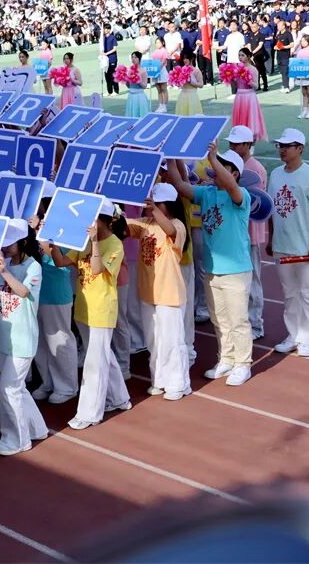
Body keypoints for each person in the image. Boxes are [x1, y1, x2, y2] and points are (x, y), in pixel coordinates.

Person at [166, 142, 254, 387]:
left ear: (233, 173)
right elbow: (180, 185)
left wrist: (213, 158)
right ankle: (226, 358)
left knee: (238, 319)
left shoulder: (240, 196)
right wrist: (171, 156)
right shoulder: (207, 193)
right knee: (220, 318)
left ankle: (243, 363)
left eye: (222, 166)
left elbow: (232, 187)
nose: (214, 169)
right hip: (213, 269)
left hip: (236, 270)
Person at [48, 201, 132, 430]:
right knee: (102, 355)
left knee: (94, 363)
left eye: (94, 218)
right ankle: (120, 398)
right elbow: (61, 261)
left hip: (102, 310)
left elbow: (96, 269)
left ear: (106, 220)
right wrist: (51, 241)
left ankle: (89, 413)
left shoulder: (114, 244)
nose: (89, 223)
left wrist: (94, 242)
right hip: (84, 309)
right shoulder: (84, 242)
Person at [125, 183, 191, 400]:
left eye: (157, 204)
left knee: (172, 340)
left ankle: (178, 383)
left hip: (170, 293)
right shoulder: (146, 224)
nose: (150, 208)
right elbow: (125, 227)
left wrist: (153, 210)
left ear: (167, 205)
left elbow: (170, 231)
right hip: (148, 293)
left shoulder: (177, 225)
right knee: (154, 340)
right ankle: (160, 379)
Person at [0, 219, 47, 455]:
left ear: (23, 242)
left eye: (10, 243)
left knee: (9, 389)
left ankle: (18, 439)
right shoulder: (4, 263)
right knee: (17, 388)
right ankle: (37, 428)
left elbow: (23, 292)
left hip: (22, 339)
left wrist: (4, 271)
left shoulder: (34, 267)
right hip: (4, 336)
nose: (5, 247)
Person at [267, 128, 309, 358]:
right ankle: (293, 335)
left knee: (307, 292)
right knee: (290, 294)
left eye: (286, 146)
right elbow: (272, 209)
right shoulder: (275, 174)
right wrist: (271, 238)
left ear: (300, 148)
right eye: (280, 146)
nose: (282, 150)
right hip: (281, 245)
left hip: (303, 246)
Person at [30, 185, 79, 404]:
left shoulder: (65, 222)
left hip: (56, 290)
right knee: (40, 339)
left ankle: (67, 386)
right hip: (36, 288)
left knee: (59, 338)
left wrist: (40, 234)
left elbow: (62, 258)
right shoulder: (33, 222)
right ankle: (48, 381)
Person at [226, 125, 266, 340]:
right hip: (237, 232)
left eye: (236, 143)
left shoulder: (254, 169)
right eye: (231, 143)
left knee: (252, 281)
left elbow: (256, 203)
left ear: (248, 145)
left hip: (250, 232)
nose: (232, 146)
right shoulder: (235, 165)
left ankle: (256, 324)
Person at [231, 48, 267, 140]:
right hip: (239, 96)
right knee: (240, 120)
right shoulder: (237, 68)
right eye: (239, 55)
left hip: (249, 96)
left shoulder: (253, 69)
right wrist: (232, 79)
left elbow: (256, 86)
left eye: (243, 55)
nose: (240, 57)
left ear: (248, 57)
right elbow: (237, 84)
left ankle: (251, 146)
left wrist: (248, 80)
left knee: (251, 121)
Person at [124, 51, 151, 118]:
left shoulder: (143, 71)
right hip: (131, 96)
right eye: (132, 57)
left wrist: (138, 81)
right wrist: (126, 80)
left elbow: (144, 86)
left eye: (135, 57)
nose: (133, 59)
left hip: (139, 96)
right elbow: (128, 86)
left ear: (139, 59)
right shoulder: (129, 70)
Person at [151, 36, 170, 112]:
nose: (157, 44)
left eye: (159, 42)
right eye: (156, 43)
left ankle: (164, 106)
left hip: (162, 71)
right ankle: (160, 105)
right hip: (155, 71)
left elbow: (163, 61)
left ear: (163, 43)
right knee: (158, 89)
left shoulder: (164, 51)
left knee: (163, 89)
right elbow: (152, 60)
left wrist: (158, 68)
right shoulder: (155, 51)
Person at [102, 24, 119, 95]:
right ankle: (109, 91)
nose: (104, 30)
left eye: (106, 29)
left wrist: (107, 53)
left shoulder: (112, 37)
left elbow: (115, 49)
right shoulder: (102, 38)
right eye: (104, 29)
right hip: (105, 59)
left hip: (112, 58)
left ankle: (116, 91)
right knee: (107, 75)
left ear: (109, 30)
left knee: (113, 75)